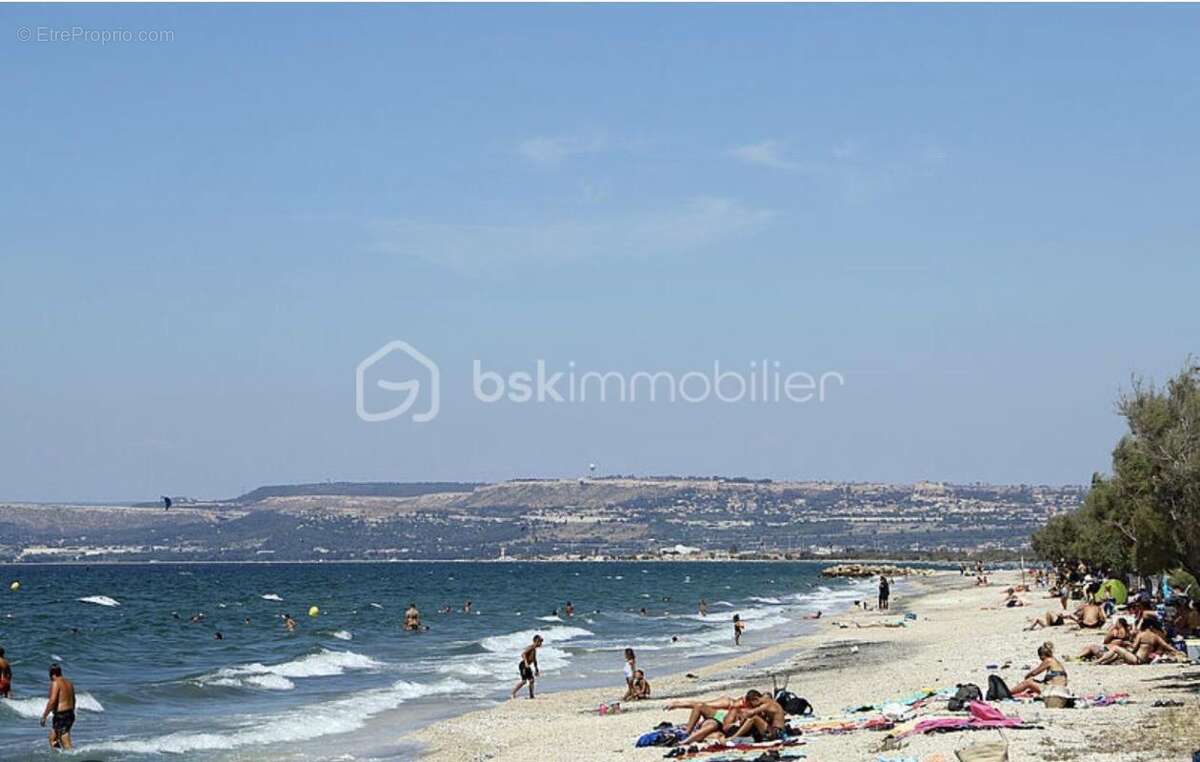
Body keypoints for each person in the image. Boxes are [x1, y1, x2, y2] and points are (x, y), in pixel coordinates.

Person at [1097, 617, 1186, 665]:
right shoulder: (1155, 637)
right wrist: (1177, 652)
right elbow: (1167, 646)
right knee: (1118, 652)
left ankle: (1098, 661)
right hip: (1144, 661)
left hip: (1136, 659)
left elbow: (1134, 648)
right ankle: (1103, 662)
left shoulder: (1141, 634)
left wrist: (1127, 645)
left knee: (1116, 648)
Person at [40, 664, 76, 750]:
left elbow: (52, 701)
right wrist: (70, 713)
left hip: (61, 715)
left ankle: (71, 756)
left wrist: (44, 716)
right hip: (70, 713)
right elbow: (74, 699)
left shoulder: (55, 682)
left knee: (64, 739)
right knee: (53, 738)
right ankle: (61, 756)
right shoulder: (69, 683)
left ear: (53, 673)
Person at [511, 634, 542, 699]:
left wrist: (536, 669)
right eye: (540, 641)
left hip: (527, 666)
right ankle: (513, 692)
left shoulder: (534, 649)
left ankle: (531, 695)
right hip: (523, 665)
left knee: (531, 680)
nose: (541, 643)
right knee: (524, 681)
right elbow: (523, 654)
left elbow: (534, 660)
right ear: (536, 641)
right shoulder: (530, 647)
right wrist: (526, 663)